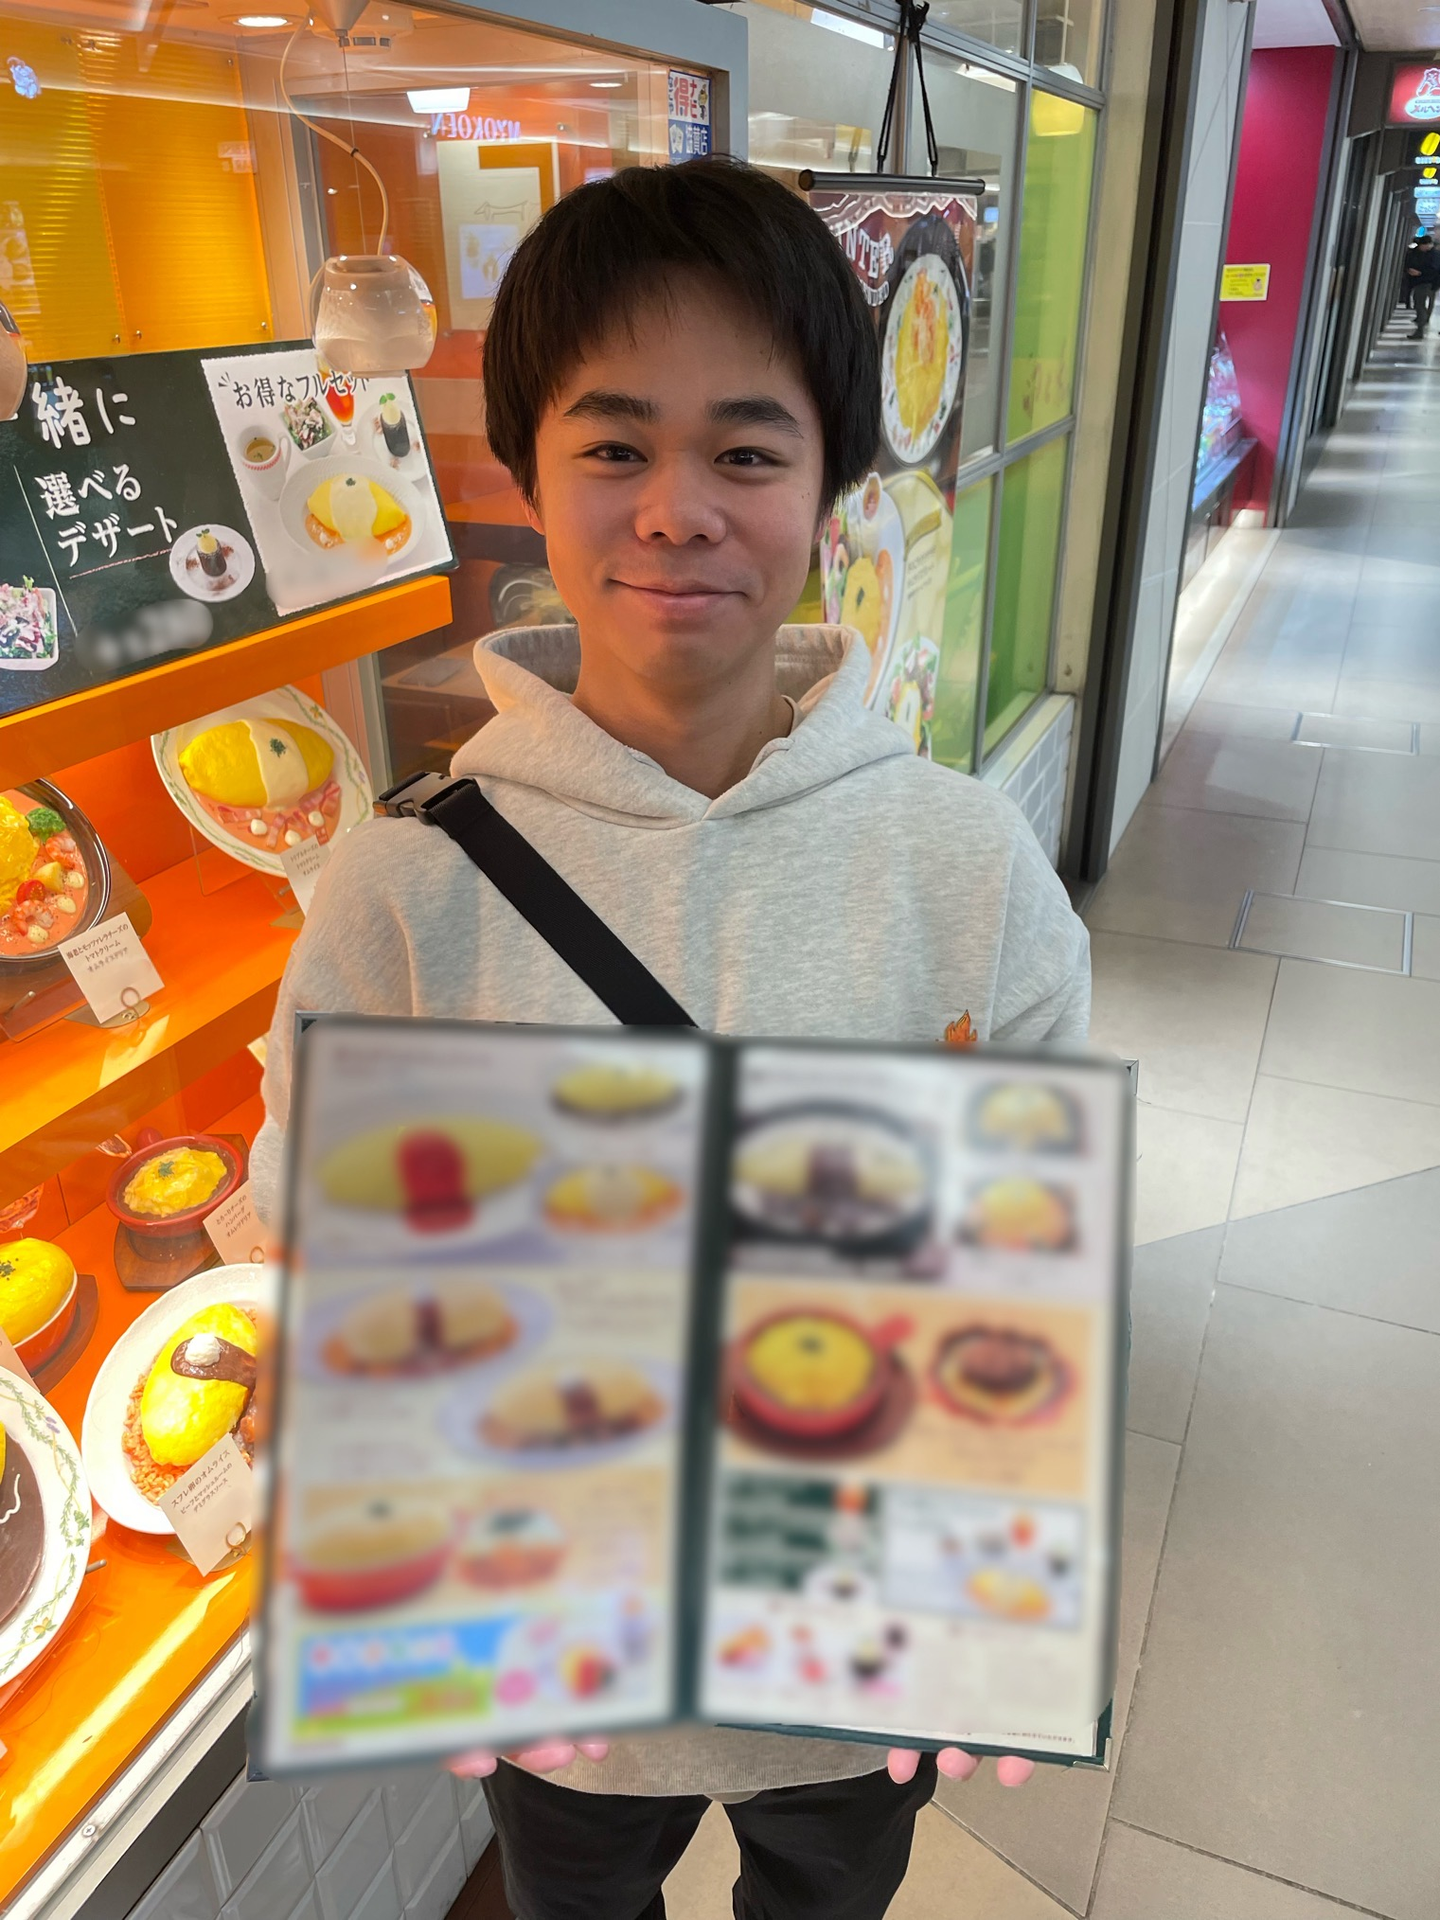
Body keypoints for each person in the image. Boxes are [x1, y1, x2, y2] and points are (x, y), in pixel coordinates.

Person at [252, 156, 1090, 1920]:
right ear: (526, 473)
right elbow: (321, 1242)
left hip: (853, 1665)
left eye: (749, 453)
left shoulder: (969, 868)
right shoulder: (406, 883)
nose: (678, 511)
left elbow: (1029, 1284)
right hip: (554, 1668)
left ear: (832, 482)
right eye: (616, 446)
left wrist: (1006, 1578)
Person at [1405, 231, 1440, 337]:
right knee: (1420, 303)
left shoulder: (1434, 255)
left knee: (1419, 304)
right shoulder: (1428, 254)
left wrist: (1419, 273)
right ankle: (1422, 323)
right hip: (1426, 282)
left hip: (1427, 282)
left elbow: (1433, 270)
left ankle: (1420, 328)